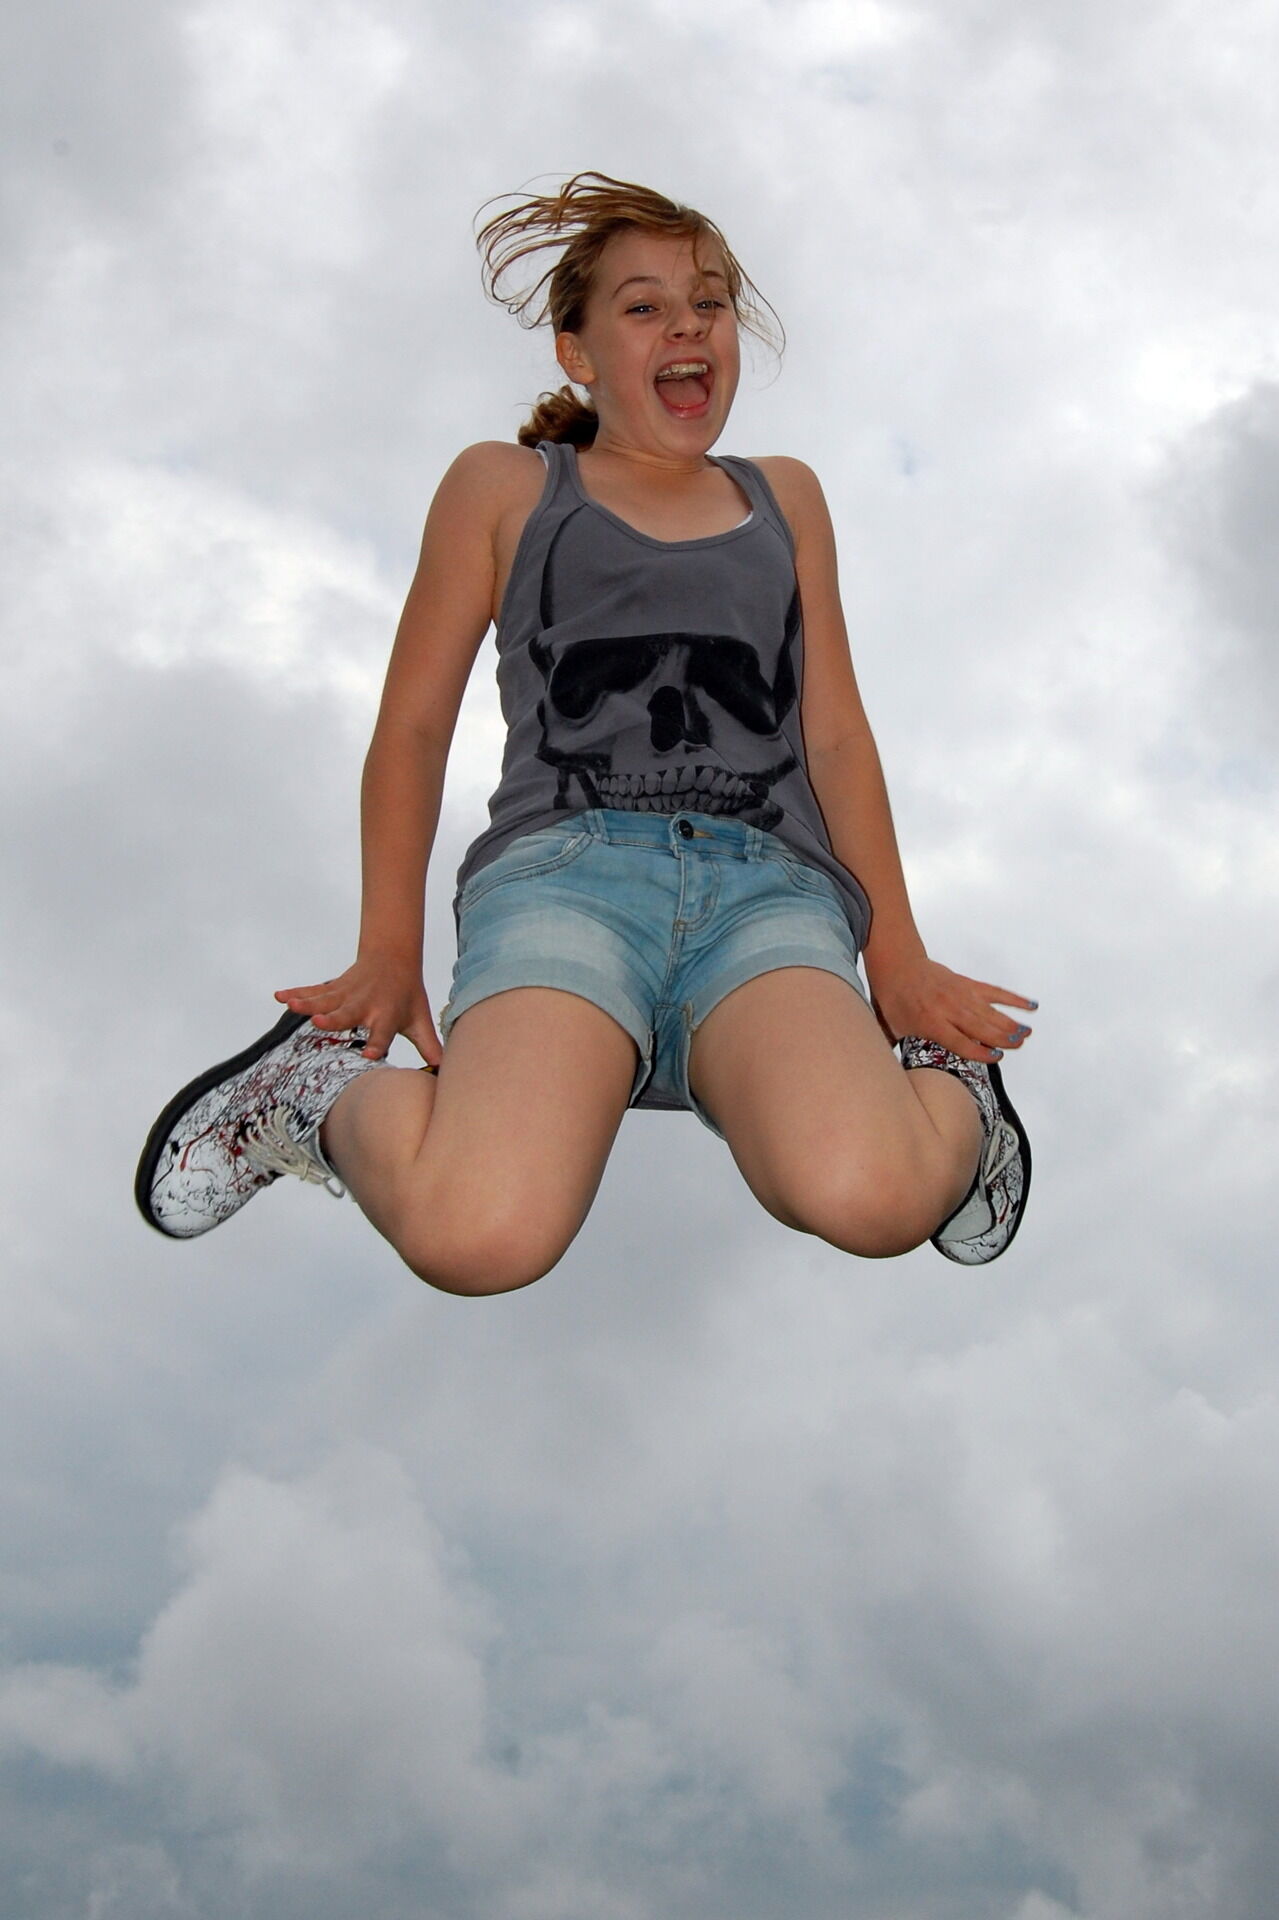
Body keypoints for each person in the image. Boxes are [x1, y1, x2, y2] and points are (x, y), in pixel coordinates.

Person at [135, 172, 1035, 1287]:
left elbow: (837, 735)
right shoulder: (507, 487)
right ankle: (315, 1096)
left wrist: (895, 958)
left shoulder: (785, 497)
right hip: (567, 879)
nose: (686, 325)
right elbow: (411, 728)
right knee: (480, 1239)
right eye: (643, 306)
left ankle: (952, 1092)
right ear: (578, 352)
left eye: (709, 302)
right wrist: (386, 951)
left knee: (872, 1197)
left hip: (768, 895)